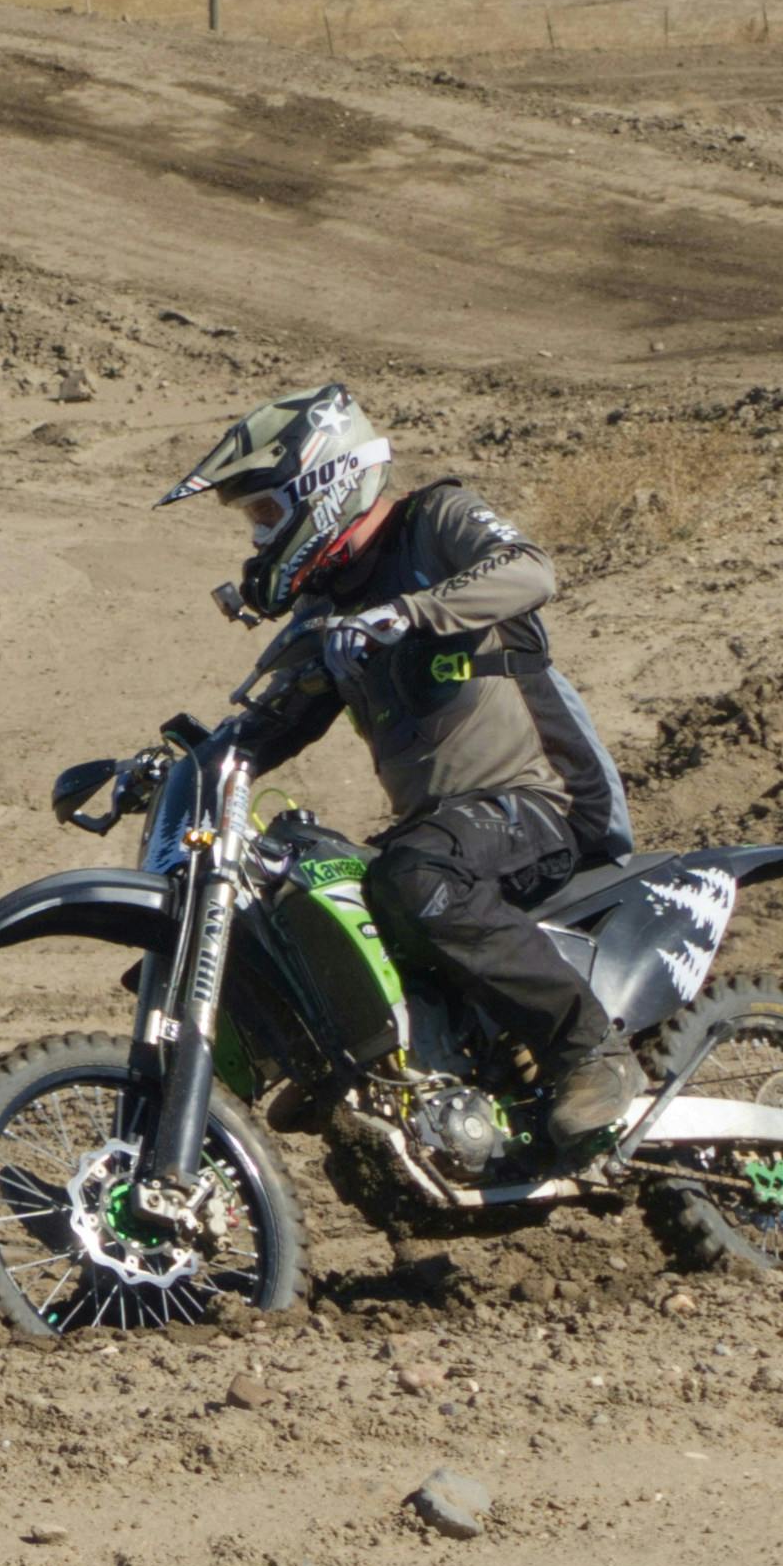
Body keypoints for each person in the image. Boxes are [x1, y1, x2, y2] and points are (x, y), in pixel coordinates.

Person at [164, 383, 648, 1171]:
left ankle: (590, 1050)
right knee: (327, 888)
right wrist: (171, 767)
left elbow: (531, 570)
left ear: (319, 487)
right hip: (452, 835)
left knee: (415, 871)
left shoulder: (435, 521)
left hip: (546, 800)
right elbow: (276, 719)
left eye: (262, 514)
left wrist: (415, 612)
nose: (257, 540)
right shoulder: (326, 608)